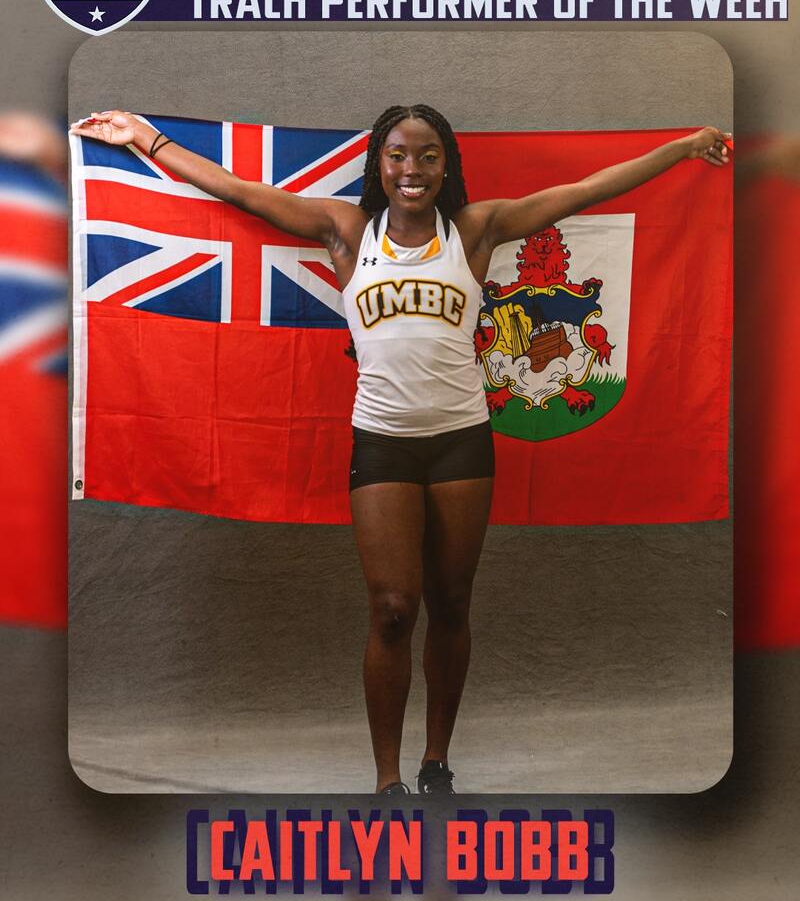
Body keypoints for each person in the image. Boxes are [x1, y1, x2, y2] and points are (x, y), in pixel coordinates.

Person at [69, 105, 731, 795]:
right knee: (392, 607)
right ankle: (387, 778)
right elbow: (239, 191)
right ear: (378, 165)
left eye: (427, 156)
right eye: (397, 155)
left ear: (446, 166)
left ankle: (435, 762)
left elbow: (587, 190)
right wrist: (145, 138)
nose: (412, 169)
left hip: (461, 441)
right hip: (383, 441)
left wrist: (683, 148)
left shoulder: (475, 230)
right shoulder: (346, 230)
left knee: (452, 601)